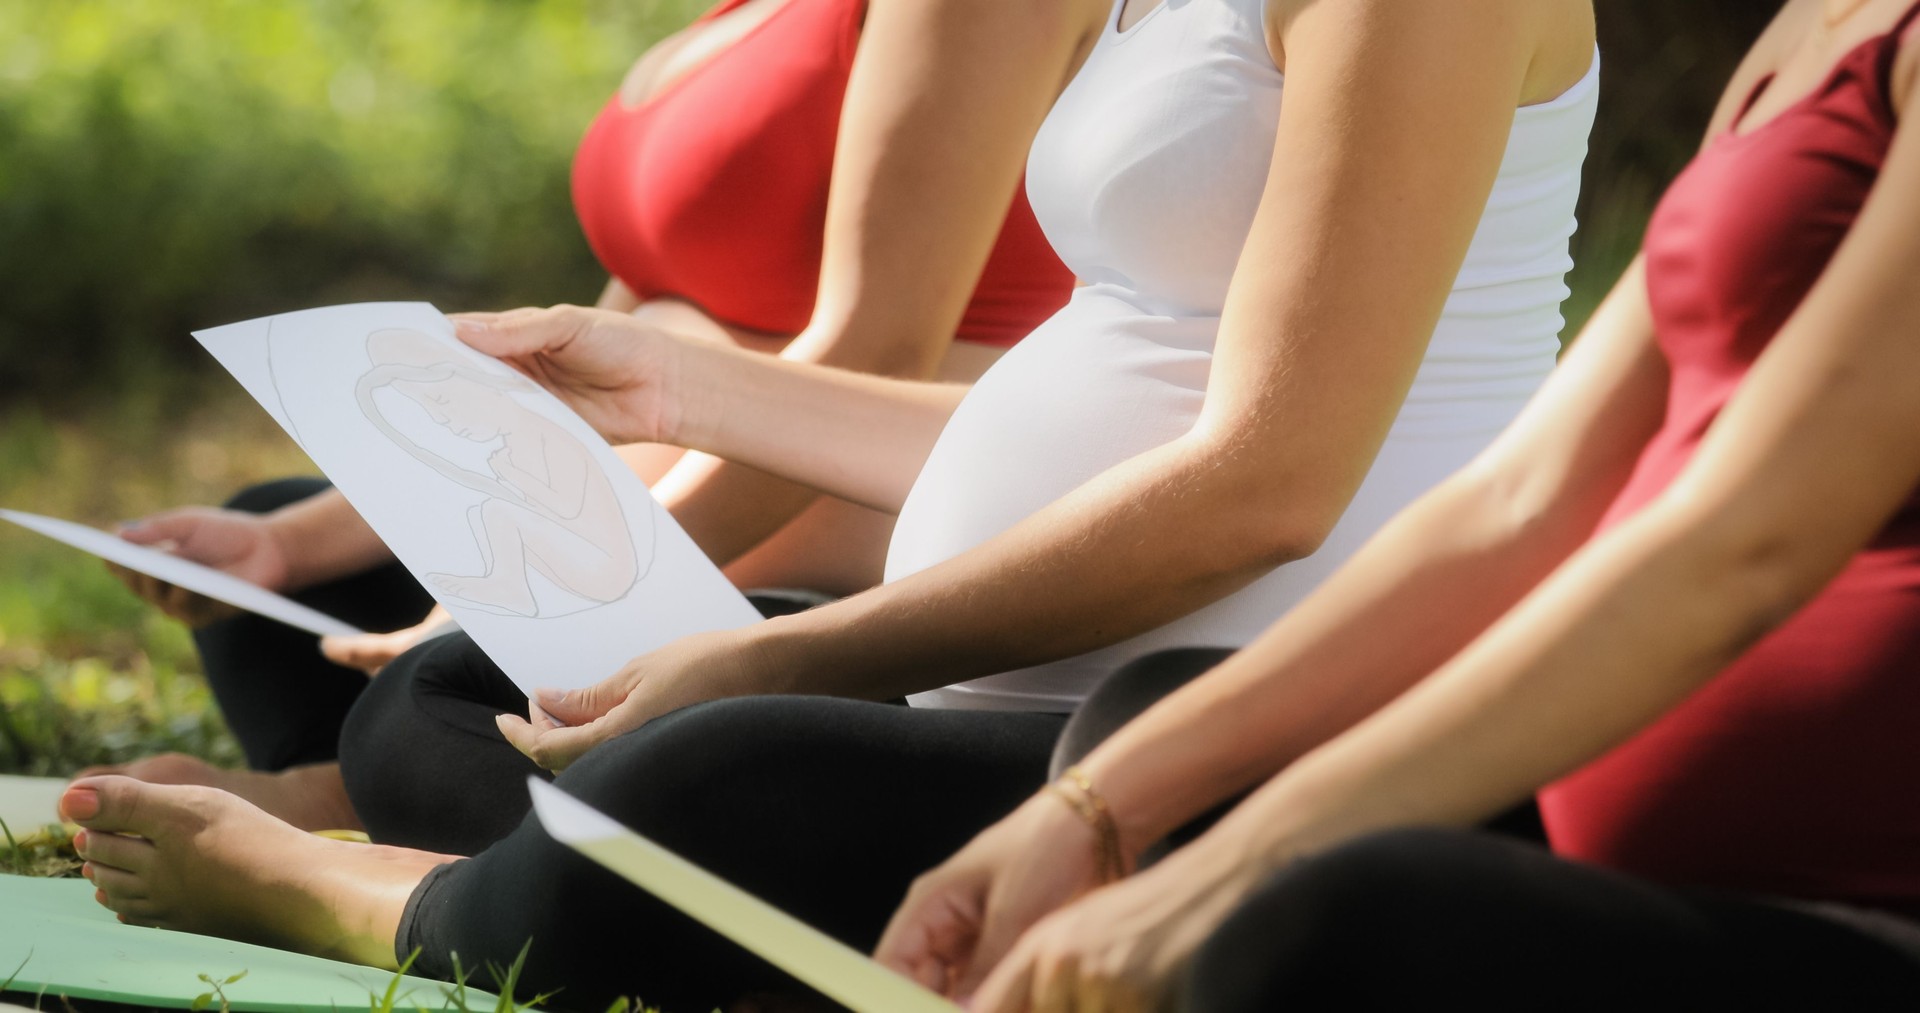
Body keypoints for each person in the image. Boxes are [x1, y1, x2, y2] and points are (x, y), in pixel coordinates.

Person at [61, 0, 1600, 1007]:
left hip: (1220, 703)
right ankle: (663, 874)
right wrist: (678, 393)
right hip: (996, 686)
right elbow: (1086, 394)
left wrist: (791, 651)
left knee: (719, 767)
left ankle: (358, 890)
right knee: (446, 696)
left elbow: (1267, 482)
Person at [862, 0, 1920, 1008]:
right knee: (1150, 727)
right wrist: (1091, 805)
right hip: (1634, 827)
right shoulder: (1820, 20)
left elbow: (1745, 541)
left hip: (1860, 895)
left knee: (1314, 926)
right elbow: (1522, 496)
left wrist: (1221, 873)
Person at [92, 0, 1074, 829]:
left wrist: (541, 606)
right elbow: (586, 368)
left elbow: (875, 348)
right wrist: (293, 543)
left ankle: (353, 800)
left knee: (429, 699)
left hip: (817, 545)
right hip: (611, 519)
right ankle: (425, 793)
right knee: (283, 590)